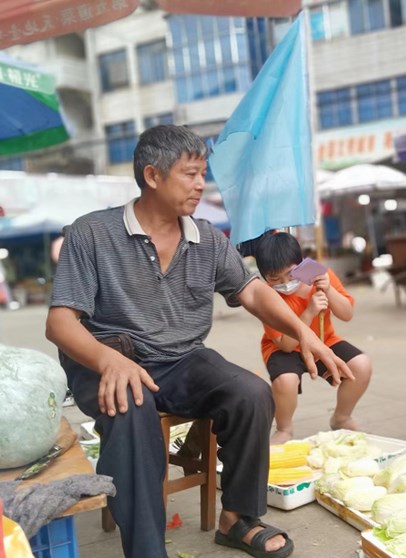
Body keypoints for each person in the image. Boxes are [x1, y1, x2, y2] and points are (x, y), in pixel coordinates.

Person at [46, 125, 352, 558]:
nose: (200, 184)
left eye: (202, 173)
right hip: (109, 360)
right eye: (190, 174)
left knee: (251, 394)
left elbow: (252, 291)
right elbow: (60, 323)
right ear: (153, 176)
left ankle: (238, 519)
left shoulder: (206, 237)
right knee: (133, 412)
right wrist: (108, 361)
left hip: (182, 359)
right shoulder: (91, 233)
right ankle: (148, 549)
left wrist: (304, 332)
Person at [253, 232, 371, 444]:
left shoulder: (319, 275)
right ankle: (284, 428)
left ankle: (341, 417)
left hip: (325, 341)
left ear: (301, 265)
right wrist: (308, 313)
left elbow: (347, 314)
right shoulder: (266, 296)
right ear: (264, 278)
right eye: (275, 279)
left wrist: (328, 291)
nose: (285, 283)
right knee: (285, 380)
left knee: (361, 365)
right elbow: (287, 345)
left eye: (290, 274)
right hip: (285, 347)